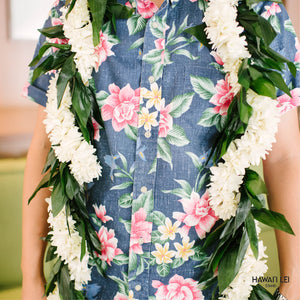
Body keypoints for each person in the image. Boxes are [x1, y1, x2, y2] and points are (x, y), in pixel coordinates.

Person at [22, 0, 300, 299]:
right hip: (92, 283)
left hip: (208, 281)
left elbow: (285, 158)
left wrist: (293, 283)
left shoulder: (259, 14)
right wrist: (31, 281)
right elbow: (46, 146)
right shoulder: (71, 14)